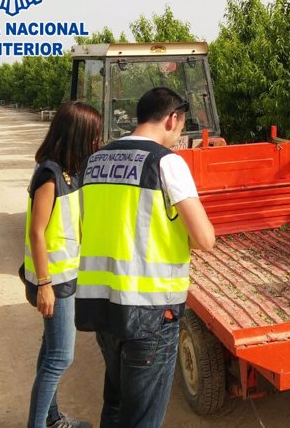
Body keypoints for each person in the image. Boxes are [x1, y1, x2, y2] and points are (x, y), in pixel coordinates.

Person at [75, 87, 216, 428]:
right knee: (141, 418)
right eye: (181, 128)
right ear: (172, 119)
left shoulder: (94, 162)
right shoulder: (166, 163)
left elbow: (86, 226)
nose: (180, 137)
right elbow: (205, 238)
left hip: (102, 305)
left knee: (116, 403)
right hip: (151, 312)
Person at [21, 101, 102, 428]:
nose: (97, 141)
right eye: (94, 135)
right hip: (53, 282)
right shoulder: (50, 174)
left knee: (50, 351)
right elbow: (37, 231)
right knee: (60, 356)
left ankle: (52, 418)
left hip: (64, 277)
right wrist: (44, 285)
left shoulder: (71, 170)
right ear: (77, 134)